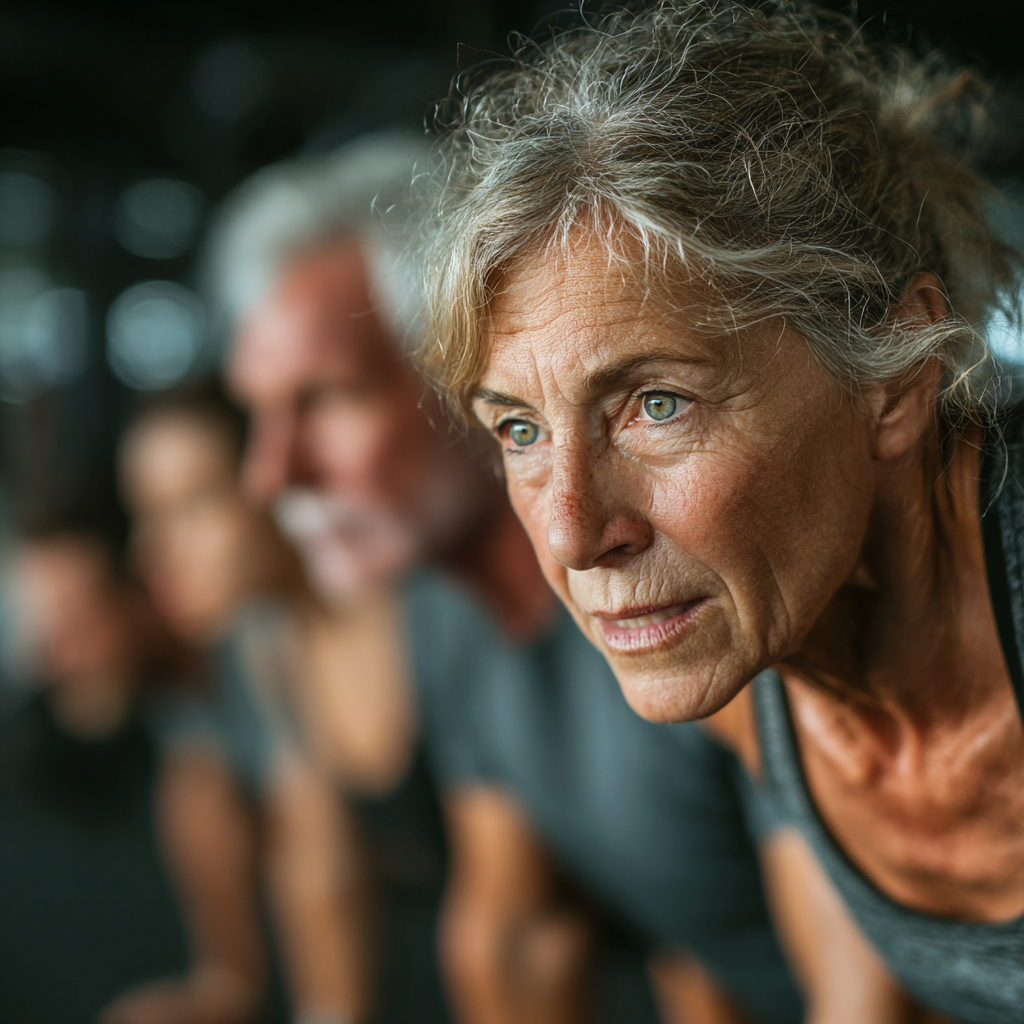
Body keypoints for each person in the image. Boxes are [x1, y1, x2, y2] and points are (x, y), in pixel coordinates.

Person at [415, 2, 1024, 1022]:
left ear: (894, 377)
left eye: (656, 405)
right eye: (516, 428)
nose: (569, 534)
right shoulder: (748, 664)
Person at [213, 133, 844, 1024]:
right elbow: (511, 935)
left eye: (326, 399)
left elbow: (870, 984)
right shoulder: (445, 616)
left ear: (468, 366)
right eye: (261, 413)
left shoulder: (690, 596)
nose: (272, 476)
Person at [120, 381, 376, 1024]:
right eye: (147, 514)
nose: (154, 551)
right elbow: (317, 870)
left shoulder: (397, 616)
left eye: (194, 503)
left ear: (276, 477)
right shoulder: (271, 641)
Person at [0, 501, 265, 1024]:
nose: (51, 650)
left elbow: (236, 980)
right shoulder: (18, 759)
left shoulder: (197, 763)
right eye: (38, 618)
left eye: (79, 620)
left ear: (141, 603)